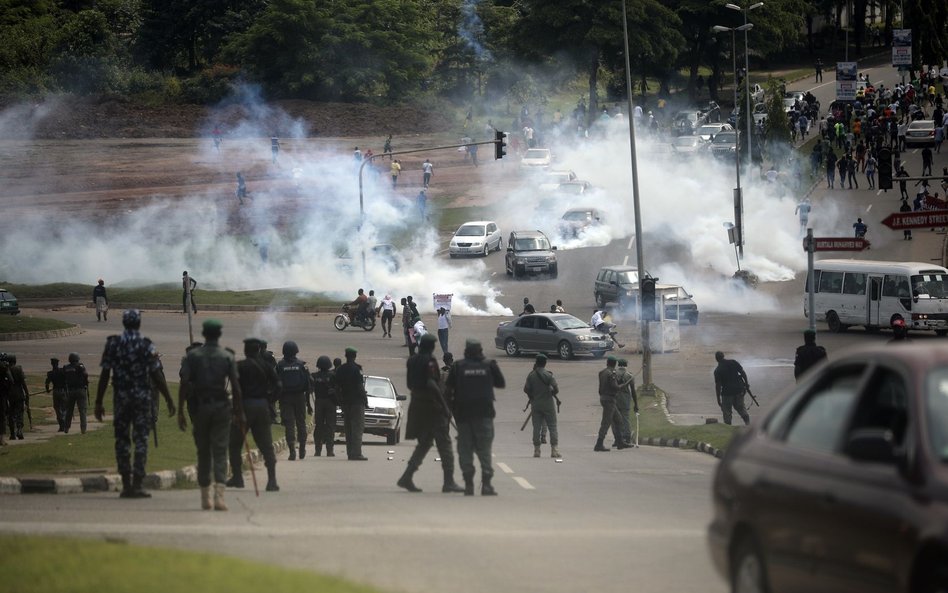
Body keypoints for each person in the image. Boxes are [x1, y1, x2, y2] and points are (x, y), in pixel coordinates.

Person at [94, 309, 176, 498]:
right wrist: (168, 398)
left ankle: (126, 484)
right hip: (141, 399)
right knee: (141, 439)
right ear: (138, 324)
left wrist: (98, 401)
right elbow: (156, 374)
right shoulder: (146, 345)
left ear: (123, 323)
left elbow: (105, 374)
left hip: (121, 398)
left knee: (122, 440)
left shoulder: (113, 344)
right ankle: (137, 483)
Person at [177, 319, 240, 511]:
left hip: (201, 408)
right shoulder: (227, 356)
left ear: (204, 334)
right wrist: (239, 412)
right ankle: (219, 496)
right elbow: (236, 387)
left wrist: (180, 410)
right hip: (222, 408)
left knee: (203, 450)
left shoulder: (193, 356)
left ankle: (205, 495)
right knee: (220, 450)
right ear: (219, 335)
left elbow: (184, 383)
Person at [399, 333, 464, 493]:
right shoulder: (430, 361)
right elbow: (432, 384)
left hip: (417, 405)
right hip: (432, 407)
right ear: (430, 346)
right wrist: (444, 406)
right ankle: (448, 481)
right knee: (445, 444)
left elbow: (409, 383)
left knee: (425, 443)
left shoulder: (411, 360)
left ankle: (407, 476)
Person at [444, 339, 505, 495]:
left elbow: (448, 393)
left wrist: (453, 410)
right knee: (484, 449)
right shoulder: (489, 365)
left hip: (463, 416)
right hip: (484, 414)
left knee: (465, 450)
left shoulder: (457, 366)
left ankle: (469, 484)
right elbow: (500, 383)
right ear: (480, 351)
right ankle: (486, 485)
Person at [228, 337, 281, 492]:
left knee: (235, 443)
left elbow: (235, 389)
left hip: (244, 407)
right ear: (258, 350)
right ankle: (272, 480)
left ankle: (237, 477)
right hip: (262, 406)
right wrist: (270, 399)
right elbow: (278, 385)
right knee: (266, 444)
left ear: (245, 350)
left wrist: (236, 410)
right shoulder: (266, 366)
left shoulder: (240, 366)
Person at [276, 341, 312, 461]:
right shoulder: (301, 365)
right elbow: (308, 385)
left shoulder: (280, 365)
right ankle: (302, 448)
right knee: (301, 423)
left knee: (289, 425)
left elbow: (276, 383)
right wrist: (308, 403)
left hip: (285, 398)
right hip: (299, 397)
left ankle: (292, 450)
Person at [523, 353, 560, 459]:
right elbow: (556, 389)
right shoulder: (548, 375)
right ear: (545, 363)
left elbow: (526, 389)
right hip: (548, 404)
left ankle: (537, 450)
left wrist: (532, 396)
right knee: (552, 426)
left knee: (536, 427)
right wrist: (552, 392)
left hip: (536, 404)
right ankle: (554, 450)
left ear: (536, 363)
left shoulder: (531, 375)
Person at [336, 347, 368, 460]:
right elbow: (360, 386)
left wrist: (340, 401)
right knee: (357, 428)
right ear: (355, 356)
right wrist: (365, 399)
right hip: (357, 402)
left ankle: (350, 453)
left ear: (346, 356)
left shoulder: (340, 369)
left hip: (345, 402)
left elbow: (337, 387)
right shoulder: (357, 369)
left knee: (348, 428)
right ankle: (357, 453)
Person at [595, 356, 627, 451]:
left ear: (607, 363)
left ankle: (619, 441)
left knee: (618, 419)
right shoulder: (612, 373)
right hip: (610, 399)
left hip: (604, 398)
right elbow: (614, 387)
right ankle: (599, 444)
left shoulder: (602, 372)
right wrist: (622, 385)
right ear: (614, 364)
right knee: (606, 422)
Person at [713, 351, 750, 425]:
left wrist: (718, 398)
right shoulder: (733, 362)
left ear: (716, 359)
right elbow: (743, 373)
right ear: (723, 356)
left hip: (727, 393)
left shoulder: (718, 370)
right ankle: (748, 423)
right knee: (741, 408)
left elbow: (718, 386)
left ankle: (728, 428)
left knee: (727, 412)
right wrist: (746, 384)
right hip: (739, 390)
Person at [310, 355, 337, 457]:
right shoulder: (333, 375)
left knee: (319, 427)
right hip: (330, 403)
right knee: (330, 427)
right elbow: (337, 388)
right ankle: (330, 450)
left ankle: (318, 450)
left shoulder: (314, 376)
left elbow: (310, 389)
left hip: (319, 402)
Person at [613, 359, 639, 448]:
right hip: (625, 401)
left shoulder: (612, 374)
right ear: (626, 365)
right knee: (625, 419)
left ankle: (617, 439)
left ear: (618, 365)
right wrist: (636, 404)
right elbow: (633, 391)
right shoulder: (629, 376)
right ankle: (627, 439)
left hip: (614, 400)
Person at [62, 352, 89, 434]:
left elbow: (64, 377)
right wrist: (85, 382)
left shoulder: (66, 367)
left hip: (70, 391)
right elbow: (86, 374)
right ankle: (83, 429)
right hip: (80, 390)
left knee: (69, 410)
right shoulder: (80, 366)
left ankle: (66, 428)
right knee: (82, 410)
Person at [4, 354, 27, 440]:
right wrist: (27, 393)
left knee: (11, 414)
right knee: (20, 413)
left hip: (9, 395)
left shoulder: (6, 369)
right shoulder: (19, 368)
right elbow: (23, 383)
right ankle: (19, 430)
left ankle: (12, 434)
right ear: (15, 361)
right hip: (19, 393)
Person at [45, 357, 68, 432]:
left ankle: (61, 424)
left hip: (55, 392)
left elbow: (47, 383)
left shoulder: (50, 373)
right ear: (57, 364)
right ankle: (63, 421)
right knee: (64, 408)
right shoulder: (62, 371)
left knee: (57, 408)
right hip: (63, 391)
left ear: (52, 364)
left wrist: (47, 390)